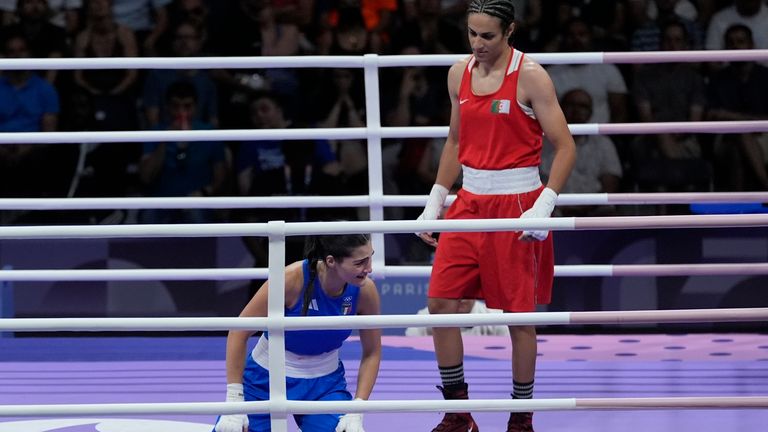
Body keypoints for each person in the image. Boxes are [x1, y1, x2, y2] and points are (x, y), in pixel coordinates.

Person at [415, 1, 576, 431]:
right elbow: (454, 141)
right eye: (472, 33)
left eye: (487, 35)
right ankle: (457, 412)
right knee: (440, 304)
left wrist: (545, 204)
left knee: (518, 319)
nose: (478, 44)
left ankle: (521, 417)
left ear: (509, 32)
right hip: (467, 202)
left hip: (517, 203)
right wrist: (435, 201)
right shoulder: (458, 73)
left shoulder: (531, 75)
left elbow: (566, 146)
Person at [213, 233, 382, 432]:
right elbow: (238, 331)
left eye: (370, 257)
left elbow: (372, 352)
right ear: (331, 261)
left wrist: (357, 409)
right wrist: (234, 398)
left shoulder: (365, 291)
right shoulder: (290, 280)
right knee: (233, 429)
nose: (369, 268)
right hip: (265, 379)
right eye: (360, 262)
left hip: (324, 385)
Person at [405, 299, 510, 337]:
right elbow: (411, 336)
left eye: (467, 293)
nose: (462, 299)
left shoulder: (494, 316)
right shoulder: (427, 317)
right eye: (459, 293)